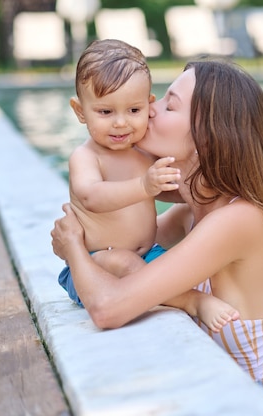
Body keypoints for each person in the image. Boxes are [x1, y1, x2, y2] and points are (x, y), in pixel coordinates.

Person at [51, 57, 263, 385]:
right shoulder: (194, 213)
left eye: (169, 105)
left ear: (206, 136)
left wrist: (73, 246)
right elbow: (112, 253)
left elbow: (108, 308)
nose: (149, 109)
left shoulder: (238, 220)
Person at [58, 39, 238, 332]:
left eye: (133, 110)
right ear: (80, 112)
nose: (120, 123)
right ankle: (192, 302)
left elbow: (170, 189)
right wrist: (144, 185)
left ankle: (185, 296)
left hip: (148, 254)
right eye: (105, 112)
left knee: (178, 269)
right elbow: (91, 196)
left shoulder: (142, 153)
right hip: (97, 264)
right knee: (126, 262)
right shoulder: (86, 156)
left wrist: (208, 191)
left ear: (148, 105)